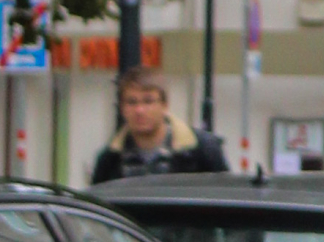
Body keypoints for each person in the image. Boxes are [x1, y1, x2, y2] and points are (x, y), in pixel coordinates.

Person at [90, 72, 226, 183]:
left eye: (148, 101)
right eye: (131, 102)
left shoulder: (202, 151)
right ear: (122, 108)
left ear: (165, 105)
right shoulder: (109, 160)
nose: (139, 110)